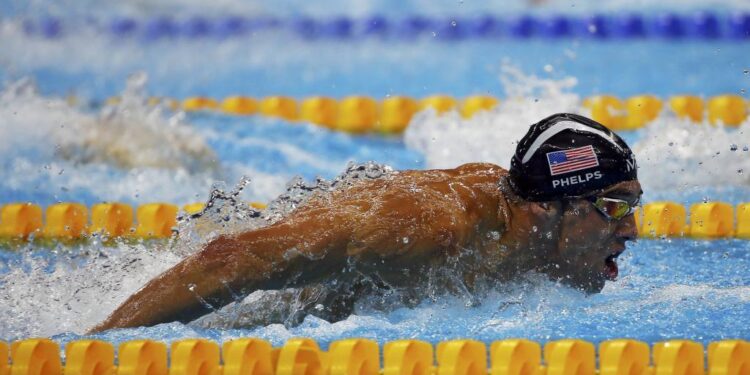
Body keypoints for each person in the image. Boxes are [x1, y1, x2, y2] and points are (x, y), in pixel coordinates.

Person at [89, 113, 641, 333]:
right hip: (259, 298)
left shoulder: (527, 231)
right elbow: (233, 260)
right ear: (548, 206)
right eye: (614, 208)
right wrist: (97, 350)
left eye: (633, 209)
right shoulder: (429, 230)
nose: (632, 232)